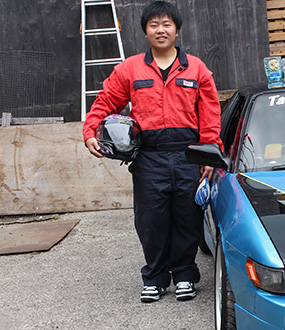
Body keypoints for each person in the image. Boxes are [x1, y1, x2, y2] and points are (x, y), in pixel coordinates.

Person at [82, 1, 223, 303]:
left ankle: (185, 274)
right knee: (151, 220)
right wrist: (90, 131)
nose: (161, 30)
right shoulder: (130, 68)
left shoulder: (196, 68)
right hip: (149, 158)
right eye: (154, 25)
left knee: (188, 218)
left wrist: (210, 155)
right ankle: (156, 278)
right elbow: (106, 101)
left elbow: (210, 114)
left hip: (188, 157)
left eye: (167, 24)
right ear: (146, 31)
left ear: (176, 29)